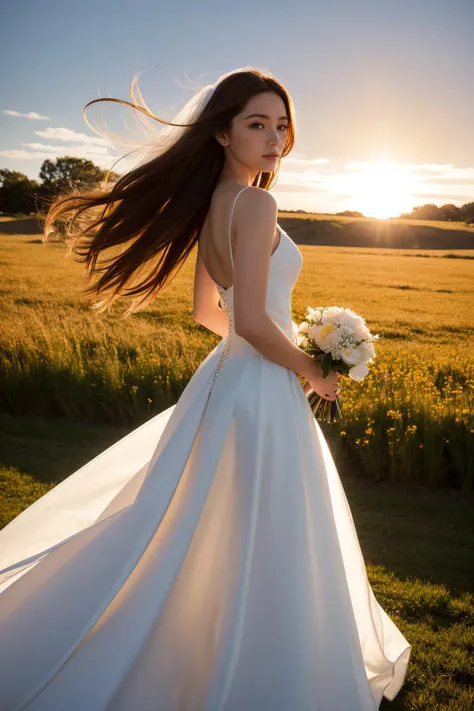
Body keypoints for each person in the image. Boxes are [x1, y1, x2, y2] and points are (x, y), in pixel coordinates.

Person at [0, 66, 411, 711]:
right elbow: (245, 318)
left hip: (226, 380)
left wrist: (279, 349)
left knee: (202, 520)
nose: (274, 137)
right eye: (257, 124)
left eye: (281, 125)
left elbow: (207, 313)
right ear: (222, 133)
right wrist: (311, 369)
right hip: (259, 389)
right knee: (256, 524)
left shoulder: (216, 201)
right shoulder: (256, 202)